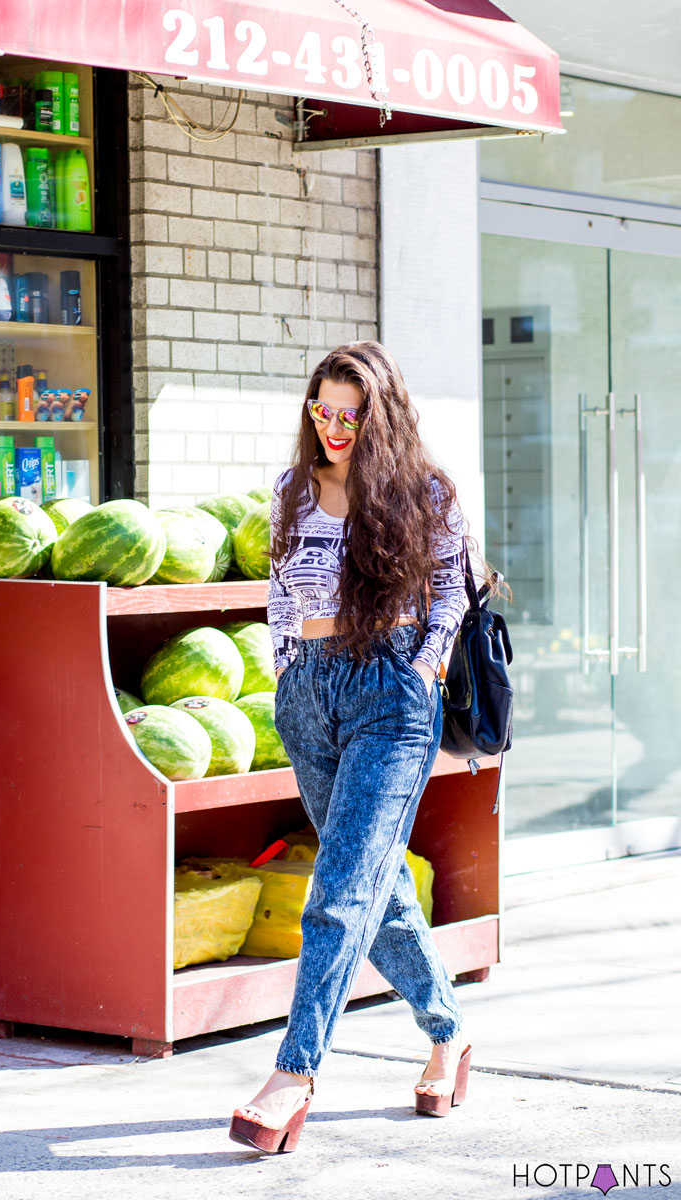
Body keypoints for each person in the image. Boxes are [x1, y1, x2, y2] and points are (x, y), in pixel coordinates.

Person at [229, 342, 472, 1154]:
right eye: (321, 411)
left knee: (337, 891)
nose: (333, 427)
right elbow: (277, 593)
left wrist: (428, 669)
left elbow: (451, 594)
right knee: (375, 885)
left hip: (392, 698)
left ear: (381, 415)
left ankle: (293, 1075)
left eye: (350, 414)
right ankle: (449, 1034)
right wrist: (287, 670)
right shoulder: (293, 491)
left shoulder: (424, 493)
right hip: (310, 698)